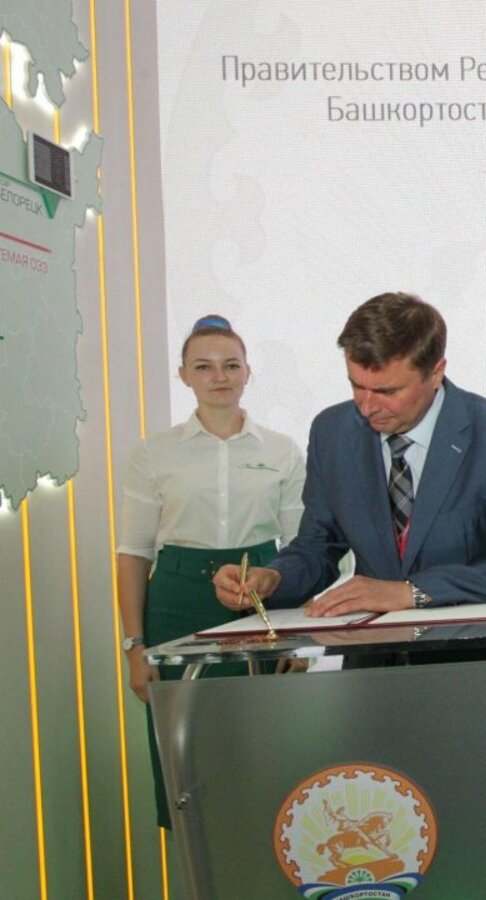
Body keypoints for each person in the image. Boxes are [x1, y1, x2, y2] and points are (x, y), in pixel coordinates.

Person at [213, 292, 486, 616]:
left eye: (387, 391)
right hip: (370, 653)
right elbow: (318, 546)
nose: (367, 407)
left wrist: (412, 592)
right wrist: (273, 579)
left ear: (436, 373)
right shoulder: (332, 432)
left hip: (473, 650)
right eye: (356, 386)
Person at [116, 315, 306, 828]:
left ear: (248, 373)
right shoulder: (155, 452)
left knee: (264, 749)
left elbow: (302, 550)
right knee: (185, 752)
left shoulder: (281, 450)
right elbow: (133, 553)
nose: (219, 376)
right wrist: (135, 647)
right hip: (176, 602)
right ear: (184, 376)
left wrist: (296, 639)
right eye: (203, 366)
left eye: (231, 365)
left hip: (260, 598)